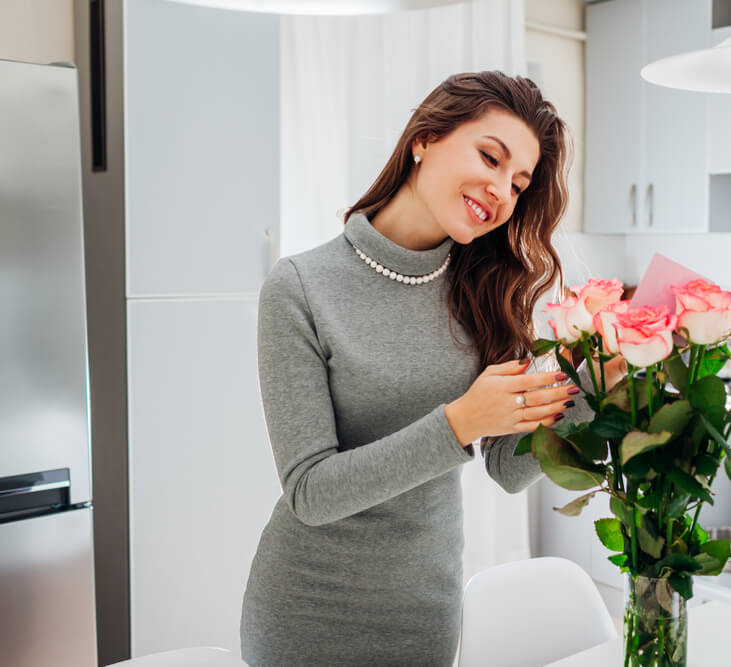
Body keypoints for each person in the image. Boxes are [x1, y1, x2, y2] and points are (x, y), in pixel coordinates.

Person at [240, 70, 627, 666]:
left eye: (519, 183)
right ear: (425, 139)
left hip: (424, 614)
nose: (502, 190)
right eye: (490, 157)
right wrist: (458, 423)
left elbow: (506, 466)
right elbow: (310, 492)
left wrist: (589, 389)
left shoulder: (487, 292)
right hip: (307, 614)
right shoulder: (300, 288)